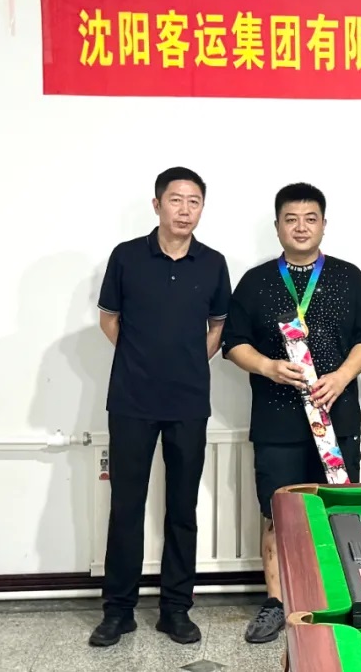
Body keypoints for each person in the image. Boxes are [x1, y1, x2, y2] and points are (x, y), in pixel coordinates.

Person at [222, 182, 361, 644]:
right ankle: (276, 603)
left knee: (336, 510)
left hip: (336, 418)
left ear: (323, 225)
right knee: (277, 513)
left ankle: (339, 599)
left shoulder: (348, 277)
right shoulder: (255, 281)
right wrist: (268, 367)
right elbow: (234, 343)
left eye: (310, 218)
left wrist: (342, 376)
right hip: (276, 422)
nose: (301, 227)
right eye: (291, 219)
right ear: (277, 226)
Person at [89, 167, 232, 647]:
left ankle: (176, 609)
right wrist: (142, 360)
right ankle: (118, 611)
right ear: (157, 205)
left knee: (182, 508)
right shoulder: (127, 257)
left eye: (194, 202)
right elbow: (109, 320)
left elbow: (217, 327)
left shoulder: (213, 263)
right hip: (131, 400)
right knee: (126, 506)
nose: (185, 210)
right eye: (176, 200)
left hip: (189, 402)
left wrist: (186, 362)